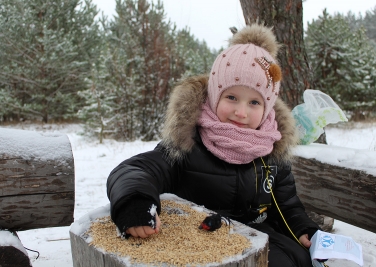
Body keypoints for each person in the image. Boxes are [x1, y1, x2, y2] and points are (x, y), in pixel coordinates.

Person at [107, 23, 321, 267]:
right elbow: (136, 170)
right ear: (214, 95)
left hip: (259, 238)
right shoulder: (188, 144)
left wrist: (304, 229)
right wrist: (135, 202)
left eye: (254, 102)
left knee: (297, 260)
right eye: (231, 97)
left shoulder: (271, 153)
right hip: (200, 241)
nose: (241, 112)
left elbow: (287, 205)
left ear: (268, 108)